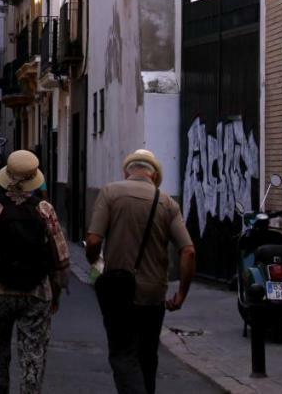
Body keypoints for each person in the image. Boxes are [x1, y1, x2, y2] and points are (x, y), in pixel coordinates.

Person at [86, 149, 196, 394]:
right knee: (148, 356)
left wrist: (95, 262)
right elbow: (188, 251)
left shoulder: (110, 193)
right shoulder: (168, 203)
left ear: (127, 171)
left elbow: (93, 241)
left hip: (119, 289)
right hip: (153, 294)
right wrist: (181, 295)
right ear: (154, 175)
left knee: (123, 354)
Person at [0, 150, 70, 394]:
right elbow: (61, 258)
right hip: (36, 291)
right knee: (33, 356)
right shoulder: (45, 209)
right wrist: (56, 293)